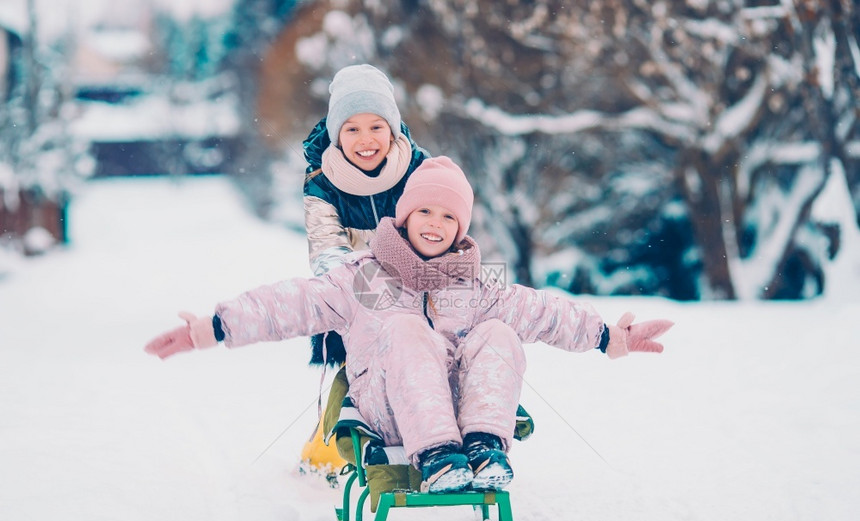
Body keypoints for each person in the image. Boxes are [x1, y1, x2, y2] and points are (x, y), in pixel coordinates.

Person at [144, 157, 674, 494]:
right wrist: (214, 327)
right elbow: (291, 304)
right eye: (426, 213)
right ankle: (439, 455)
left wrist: (609, 337)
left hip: (465, 409)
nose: (436, 225)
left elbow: (543, 312)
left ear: (461, 227)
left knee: (502, 331)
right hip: (390, 409)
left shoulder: (477, 285)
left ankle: (486, 447)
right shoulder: (365, 278)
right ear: (404, 216)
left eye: (449, 218)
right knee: (402, 329)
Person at [303, 63, 429, 366]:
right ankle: (350, 401)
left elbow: (440, 235)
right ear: (337, 135)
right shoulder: (321, 183)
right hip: (356, 299)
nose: (366, 140)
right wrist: (370, 298)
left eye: (376, 127)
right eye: (352, 129)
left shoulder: (421, 169)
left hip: (420, 290)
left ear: (392, 129)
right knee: (364, 371)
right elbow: (327, 250)